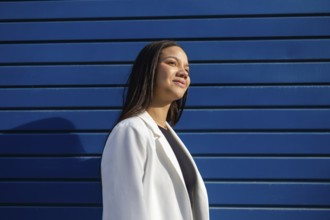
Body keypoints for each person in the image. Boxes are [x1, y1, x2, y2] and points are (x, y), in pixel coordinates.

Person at [101, 40, 209, 220]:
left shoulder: (169, 136)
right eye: (172, 63)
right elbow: (123, 212)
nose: (183, 73)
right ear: (149, 70)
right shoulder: (130, 131)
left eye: (187, 70)